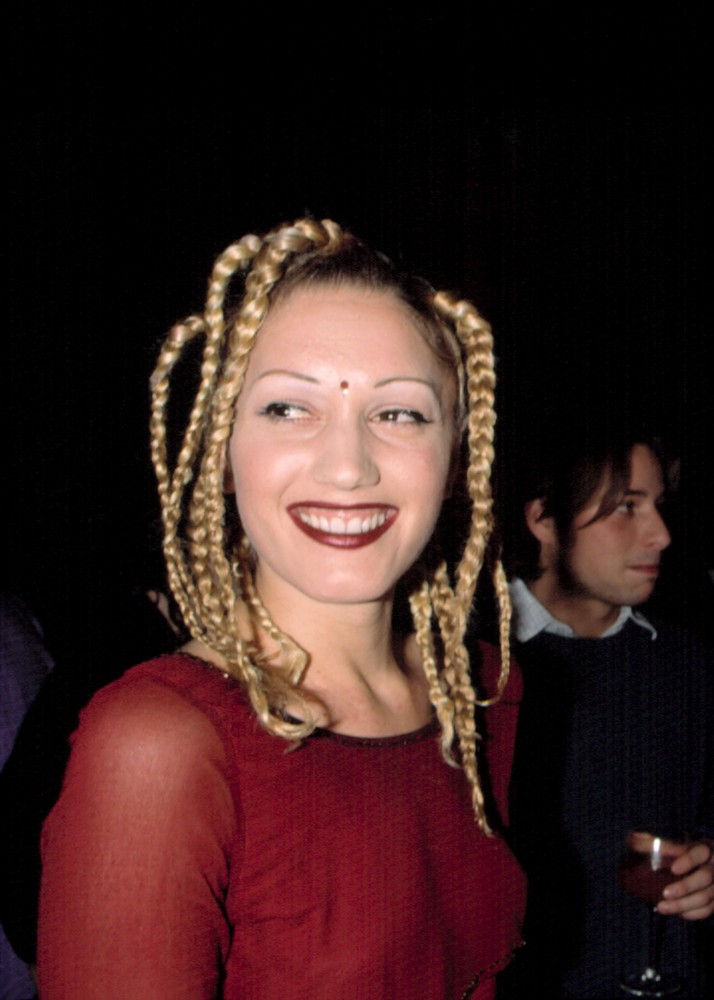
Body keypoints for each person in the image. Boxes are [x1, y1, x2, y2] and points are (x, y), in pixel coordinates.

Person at [37, 217, 526, 999]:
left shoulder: (480, 693)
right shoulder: (159, 744)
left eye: (399, 413)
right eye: (288, 409)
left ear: (456, 457)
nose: (348, 466)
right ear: (224, 452)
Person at [496, 427, 713, 999]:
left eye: (658, 505)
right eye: (626, 507)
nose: (661, 535)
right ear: (544, 521)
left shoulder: (688, 664)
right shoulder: (465, 666)